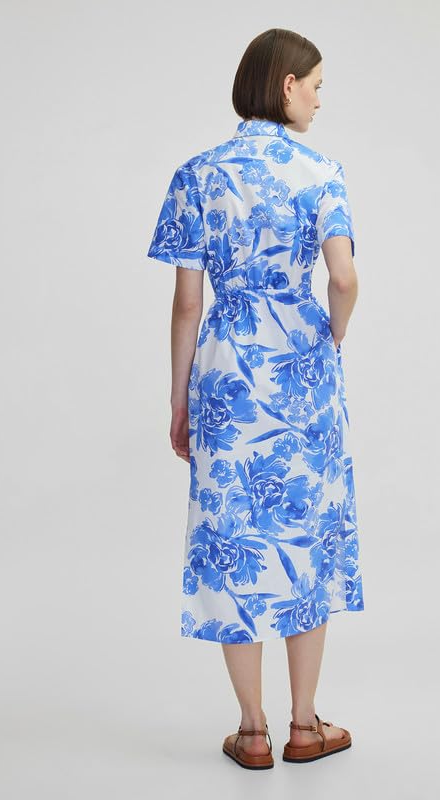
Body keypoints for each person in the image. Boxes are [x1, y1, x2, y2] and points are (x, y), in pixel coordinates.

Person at [146, 28, 364, 769]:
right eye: (316, 85)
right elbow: (343, 279)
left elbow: (186, 304)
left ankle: (251, 730)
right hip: (302, 368)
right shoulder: (321, 172)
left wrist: (179, 401)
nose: (319, 99)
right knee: (305, 536)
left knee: (232, 534)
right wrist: (331, 334)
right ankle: (306, 725)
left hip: (226, 371)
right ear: (286, 85)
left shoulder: (196, 175)